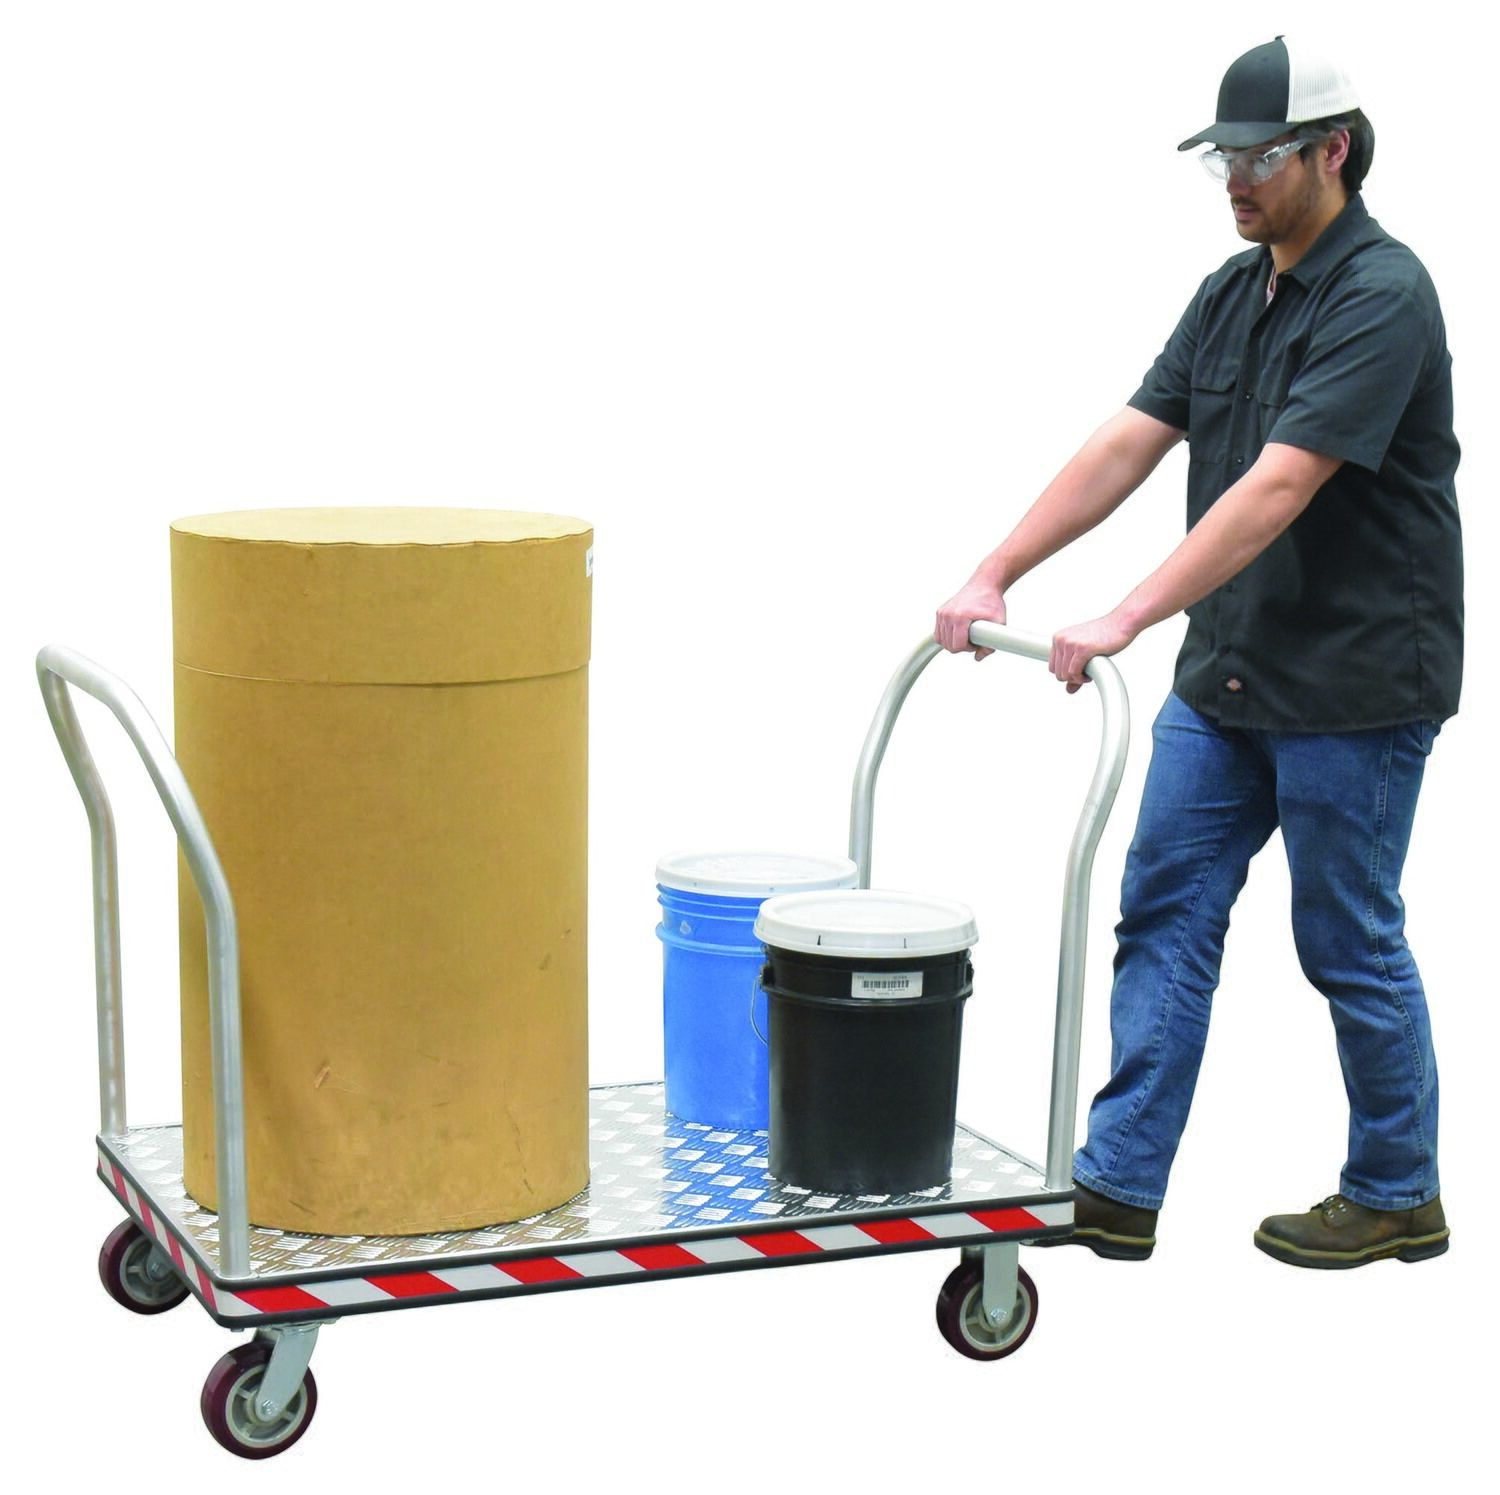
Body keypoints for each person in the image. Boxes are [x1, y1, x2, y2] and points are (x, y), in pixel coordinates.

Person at [935, 36, 1462, 1269]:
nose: (1235, 180)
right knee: (1163, 908)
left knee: (1345, 938)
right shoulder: (1233, 292)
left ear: (1333, 152)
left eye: (1259, 158)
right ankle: (1118, 1184)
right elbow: (1129, 440)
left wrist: (1126, 612)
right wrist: (997, 568)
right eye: (1222, 157)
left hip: (1353, 681)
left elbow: (1280, 485)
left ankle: (1398, 1189)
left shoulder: (1385, 294)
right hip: (1229, 673)